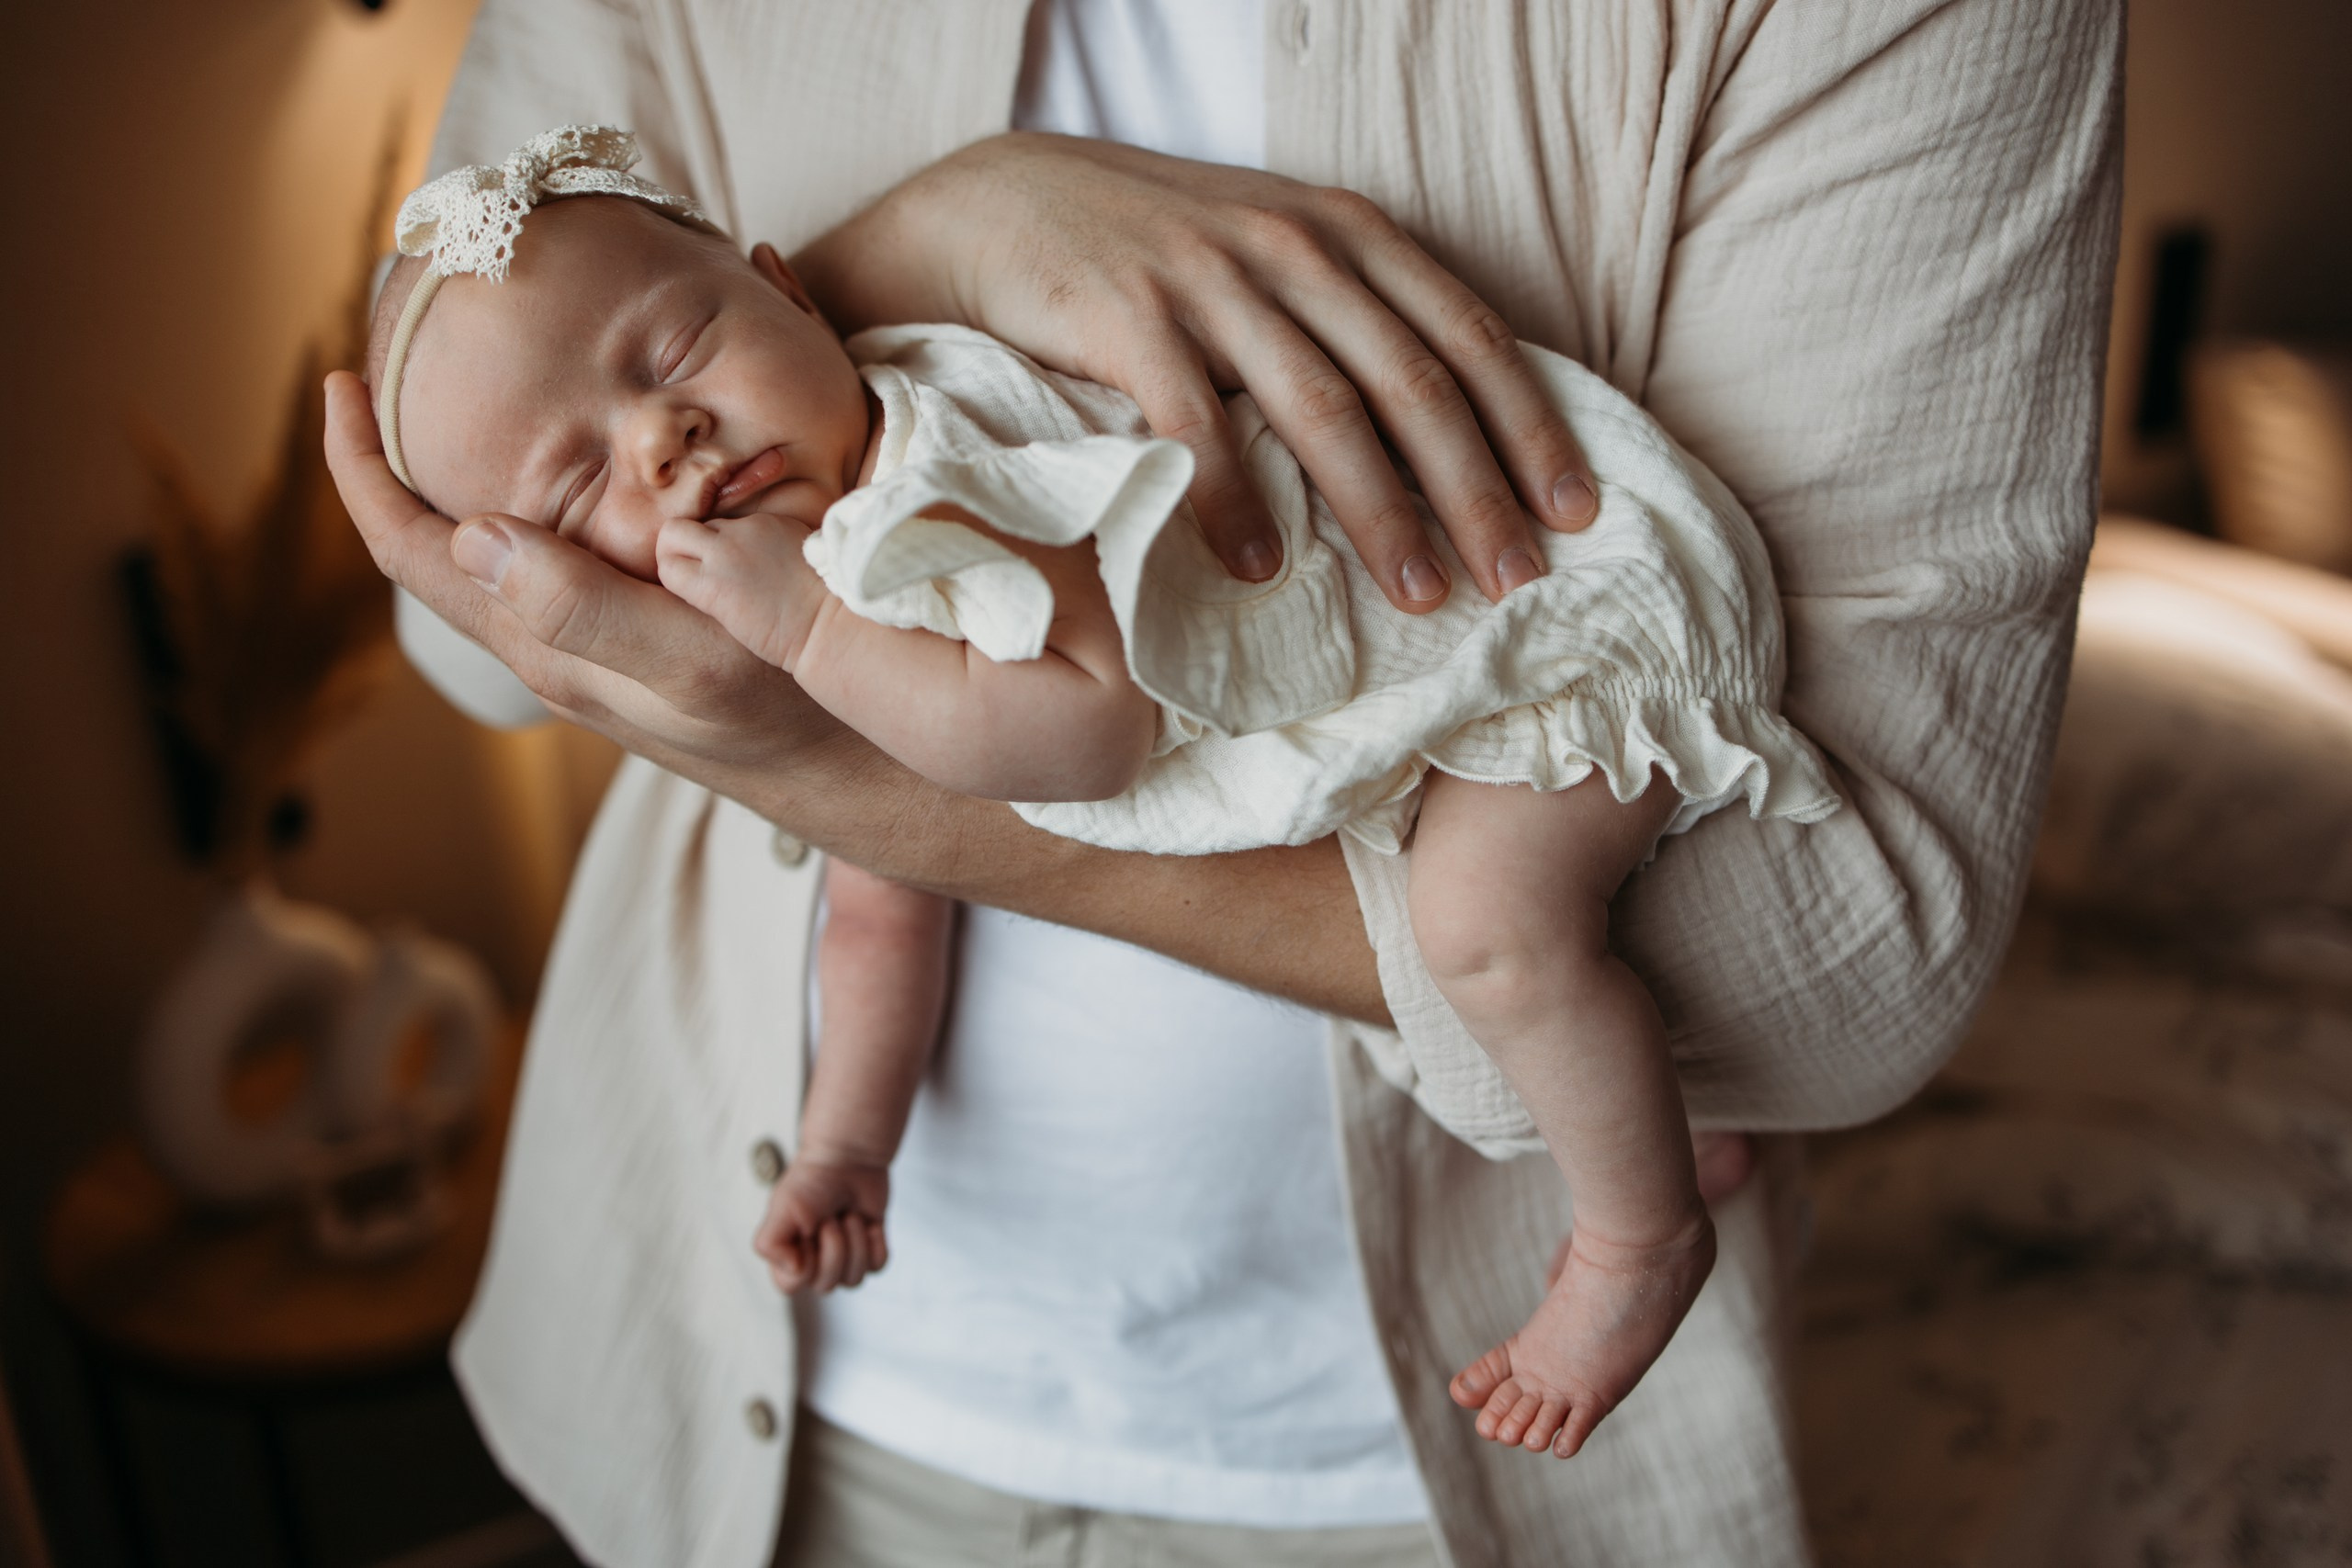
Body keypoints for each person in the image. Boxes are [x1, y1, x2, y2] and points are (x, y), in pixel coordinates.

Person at [325, 3, 2122, 1563]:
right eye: (580, 491)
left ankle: (1634, 1229)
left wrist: (804, 657)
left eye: (672, 358)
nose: (663, 445)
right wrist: (940, 217)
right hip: (828, 1405)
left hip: (1520, 655)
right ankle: (864, 1150)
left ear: (782, 287)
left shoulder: (927, 461)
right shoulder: (832, 491)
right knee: (869, 897)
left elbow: (1080, 736)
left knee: (1489, 924)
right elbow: (503, 658)